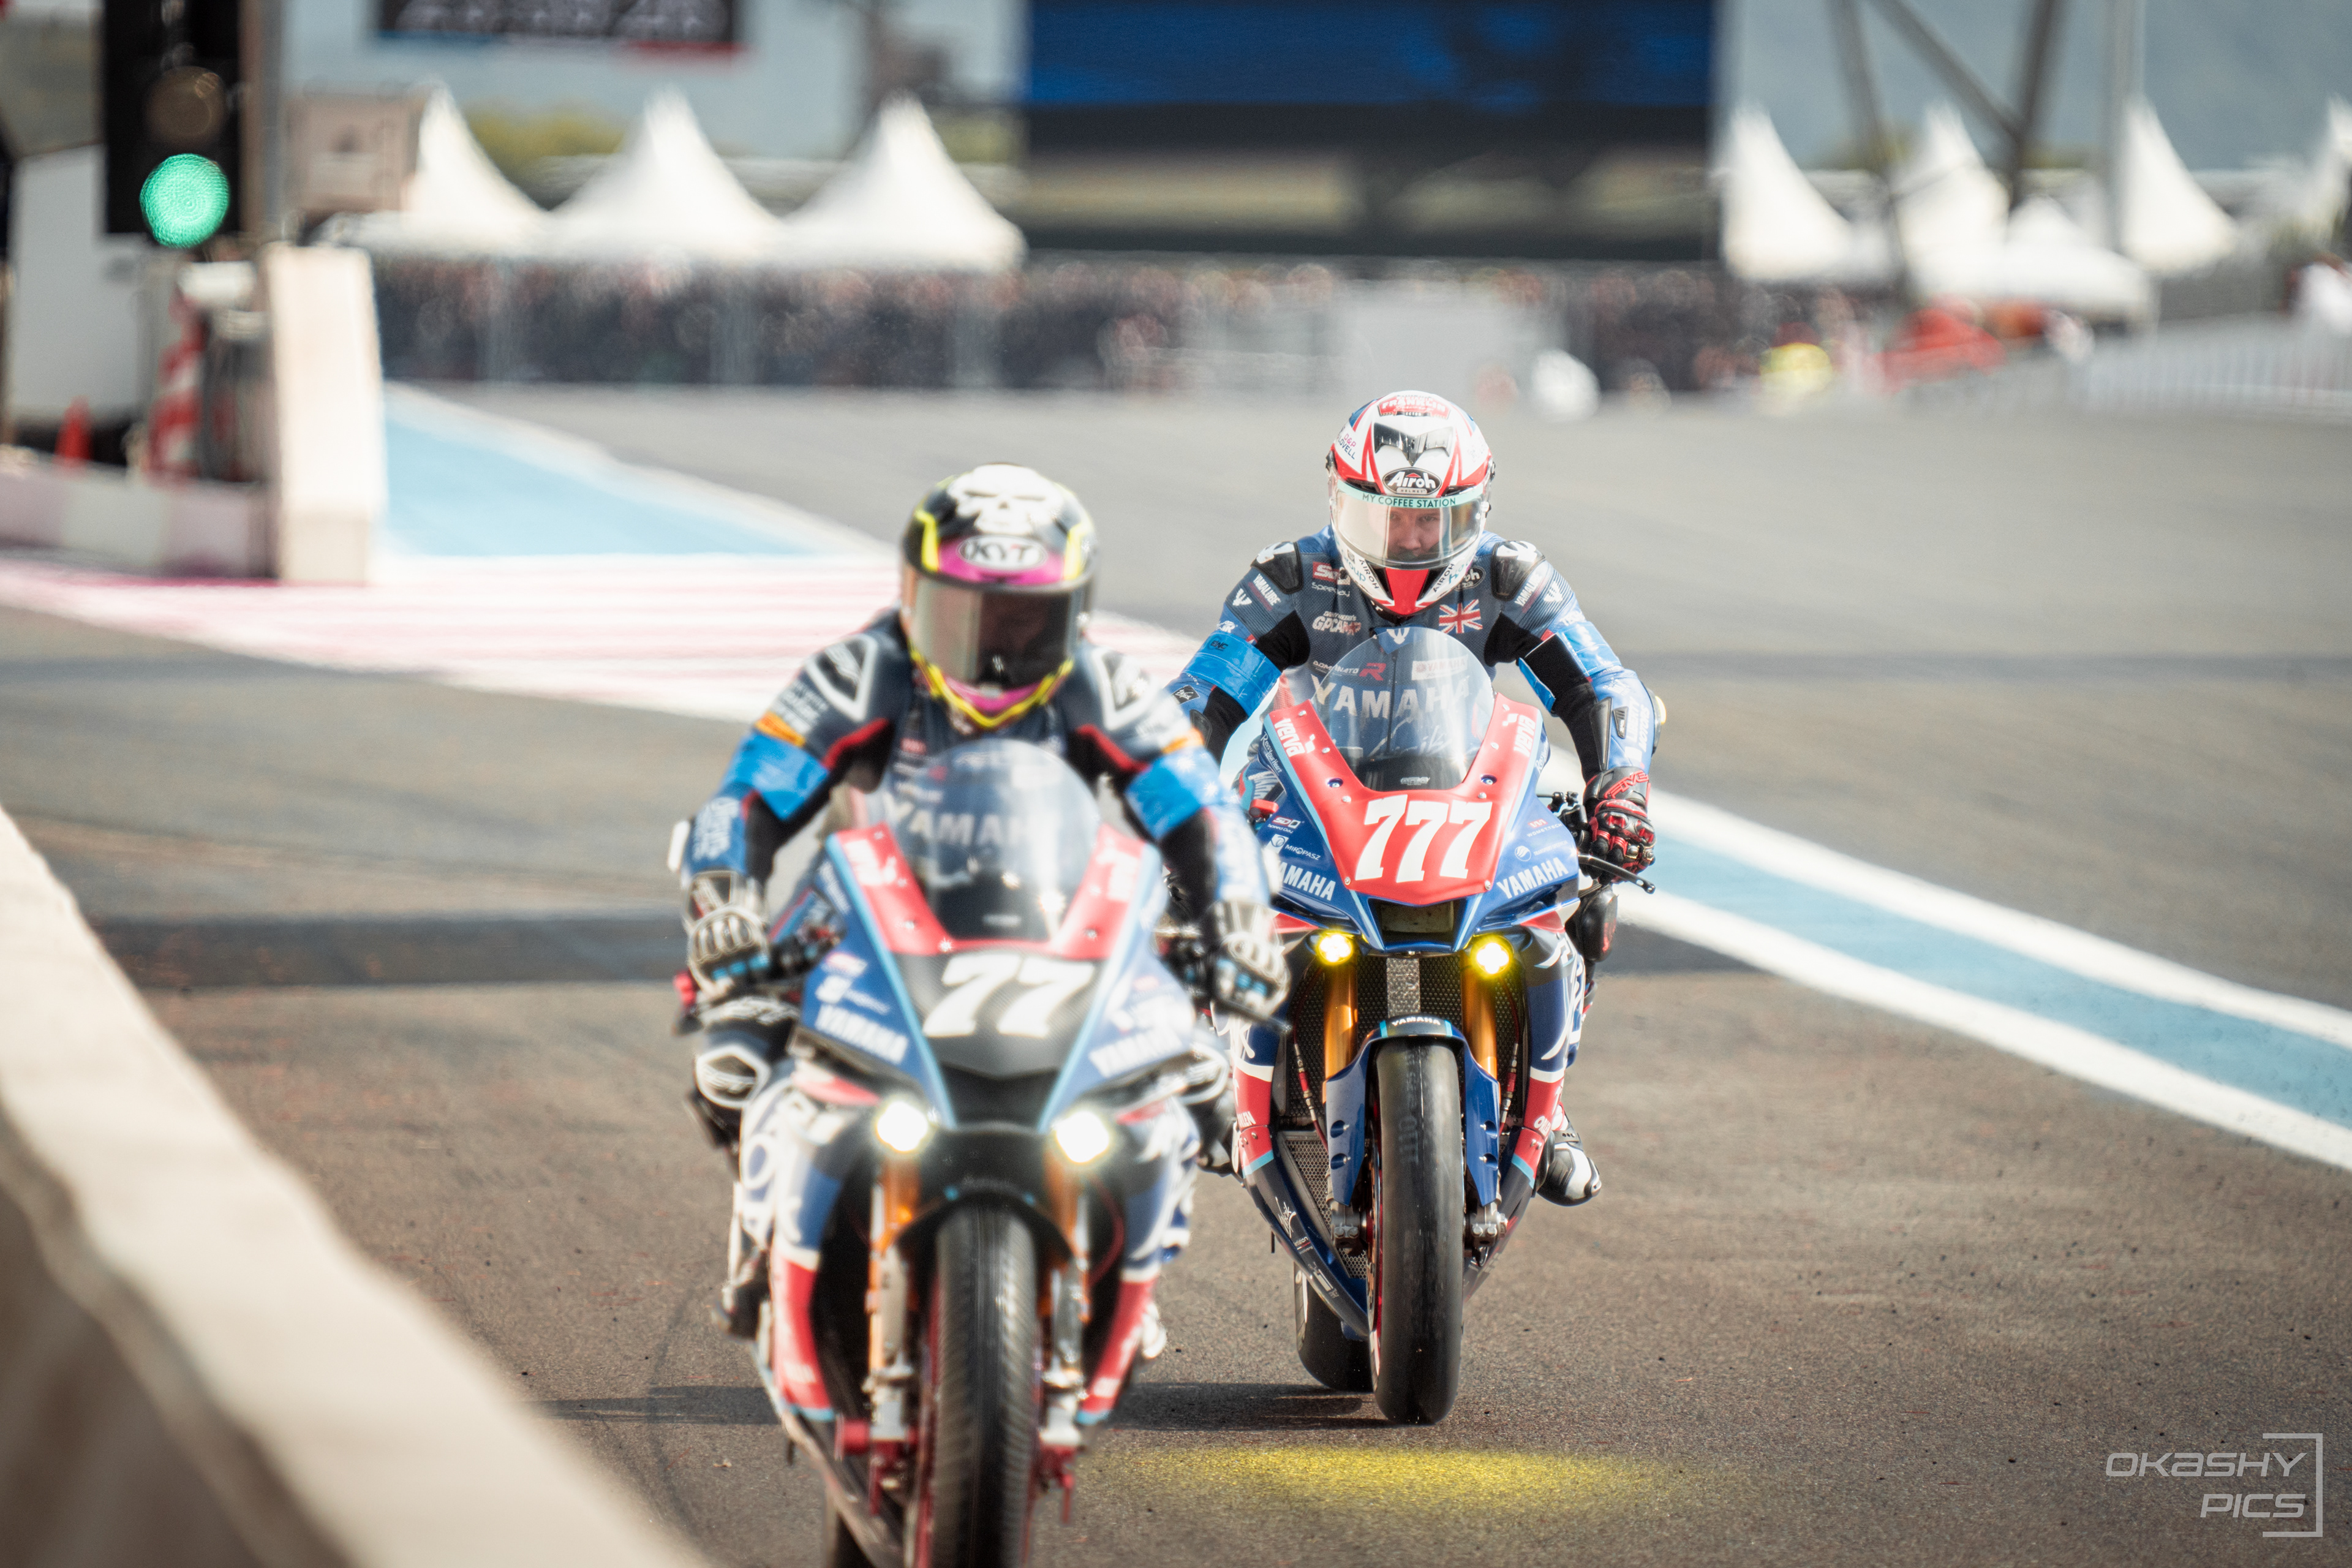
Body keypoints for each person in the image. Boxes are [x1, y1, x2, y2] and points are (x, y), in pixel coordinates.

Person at [676, 463, 1287, 1337]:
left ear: (1070, 613)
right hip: (864, 907)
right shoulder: (863, 670)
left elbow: (1200, 808)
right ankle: (767, 1242)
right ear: (914, 597)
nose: (991, 642)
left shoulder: (1099, 683)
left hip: (1053, 912)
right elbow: (748, 794)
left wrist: (1237, 908)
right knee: (736, 1048)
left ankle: (1128, 1264)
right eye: (964, 612)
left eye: (1022, 619)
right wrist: (725, 897)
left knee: (1195, 1073)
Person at [1166, 390, 1657, 1208]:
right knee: (1185, 881)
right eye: (1387, 519)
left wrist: (1623, 786)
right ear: (1340, 499)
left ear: (1477, 511)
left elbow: (1602, 684)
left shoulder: (1509, 576)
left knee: (1587, 884)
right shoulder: (1289, 577)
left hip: (1461, 789)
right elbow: (1205, 695)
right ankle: (1215, 1062)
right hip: (1306, 793)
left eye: (1433, 522)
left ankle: (1547, 1099)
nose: (1410, 540)